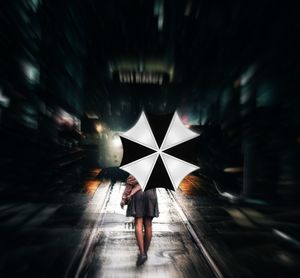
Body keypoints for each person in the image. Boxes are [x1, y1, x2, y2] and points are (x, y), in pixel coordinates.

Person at [120, 174, 159, 266]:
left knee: (138, 223)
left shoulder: (136, 167)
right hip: (150, 194)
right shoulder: (155, 169)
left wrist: (124, 198)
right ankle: (145, 252)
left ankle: (142, 254)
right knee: (148, 225)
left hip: (138, 195)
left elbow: (129, 185)